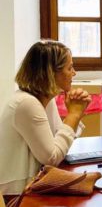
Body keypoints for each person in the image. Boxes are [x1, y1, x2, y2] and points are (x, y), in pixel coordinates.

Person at [0, 40, 91, 195]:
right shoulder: (27, 103)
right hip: (14, 197)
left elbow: (60, 144)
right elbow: (51, 158)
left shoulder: (45, 100)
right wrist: (73, 115)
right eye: (69, 68)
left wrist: (75, 114)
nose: (74, 73)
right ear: (51, 72)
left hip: (32, 188)